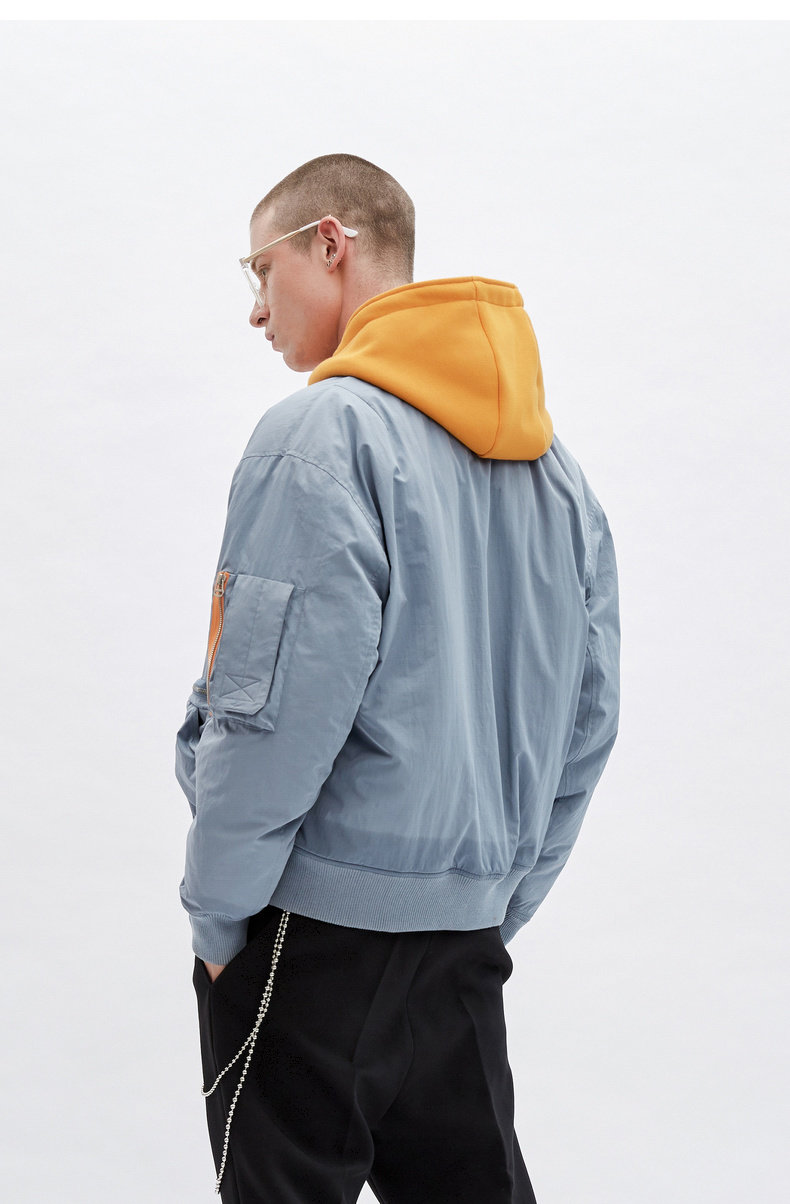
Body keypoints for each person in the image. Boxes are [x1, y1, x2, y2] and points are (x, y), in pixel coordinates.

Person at [175, 153, 620, 1204]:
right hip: (461, 944)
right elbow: (588, 719)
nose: (256, 309)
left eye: (261, 271)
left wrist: (218, 923)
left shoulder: (316, 438)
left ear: (328, 244)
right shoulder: (556, 473)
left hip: (309, 941)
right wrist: (490, 904)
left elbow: (267, 718)